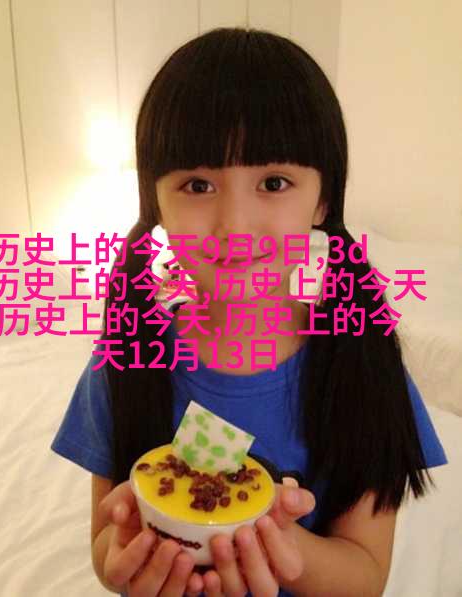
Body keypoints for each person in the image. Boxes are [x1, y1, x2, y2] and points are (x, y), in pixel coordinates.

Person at [51, 27, 448, 597]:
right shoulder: (125, 360)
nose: (234, 225)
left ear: (323, 200)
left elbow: (366, 574)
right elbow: (104, 545)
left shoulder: (363, 363)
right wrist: (125, 558)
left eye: (274, 182)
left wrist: (280, 546)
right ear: (155, 203)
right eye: (197, 185)